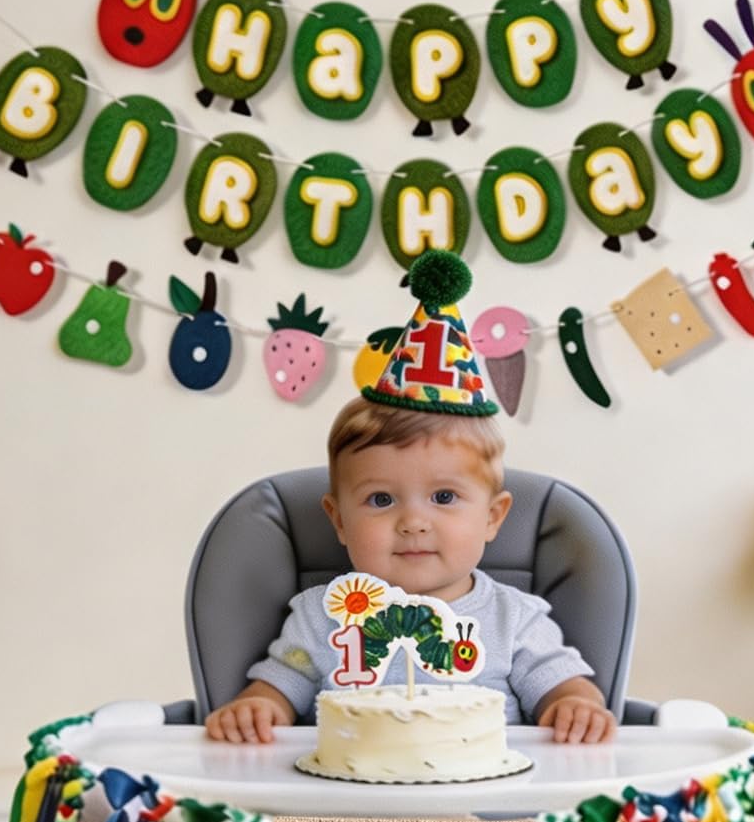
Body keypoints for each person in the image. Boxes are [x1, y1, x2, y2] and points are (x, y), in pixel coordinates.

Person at [205, 254, 616, 746]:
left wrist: (576, 707)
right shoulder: (319, 617)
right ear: (337, 520)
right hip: (343, 811)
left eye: (444, 496)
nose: (413, 522)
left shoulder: (515, 619)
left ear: (493, 517)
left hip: (482, 813)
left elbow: (564, 690)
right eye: (380, 500)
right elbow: (281, 684)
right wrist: (256, 708)